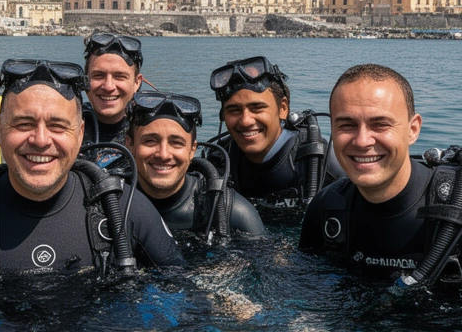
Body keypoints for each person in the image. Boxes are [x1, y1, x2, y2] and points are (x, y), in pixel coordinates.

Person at [0, 59, 184, 277]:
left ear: (80, 134)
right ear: (0, 129)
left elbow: (184, 303)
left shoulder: (125, 210)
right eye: (24, 124)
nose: (40, 140)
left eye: (57, 126)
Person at [300, 64, 462, 292]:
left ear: (413, 130)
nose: (362, 140)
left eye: (380, 124)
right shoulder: (326, 208)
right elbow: (304, 290)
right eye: (346, 125)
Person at [125, 91, 265, 243]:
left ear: (192, 150)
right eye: (150, 141)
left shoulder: (234, 212)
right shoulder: (112, 203)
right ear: (129, 145)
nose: (163, 154)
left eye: (176, 143)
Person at [211, 56, 331, 205]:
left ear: (283, 109)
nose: (246, 121)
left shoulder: (321, 162)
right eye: (234, 110)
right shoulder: (218, 163)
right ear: (223, 115)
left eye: (257, 108)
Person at [81, 32, 145, 147]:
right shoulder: (65, 126)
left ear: (137, 83)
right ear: (85, 81)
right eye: (98, 76)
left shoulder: (148, 129)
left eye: (119, 77)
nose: (108, 87)